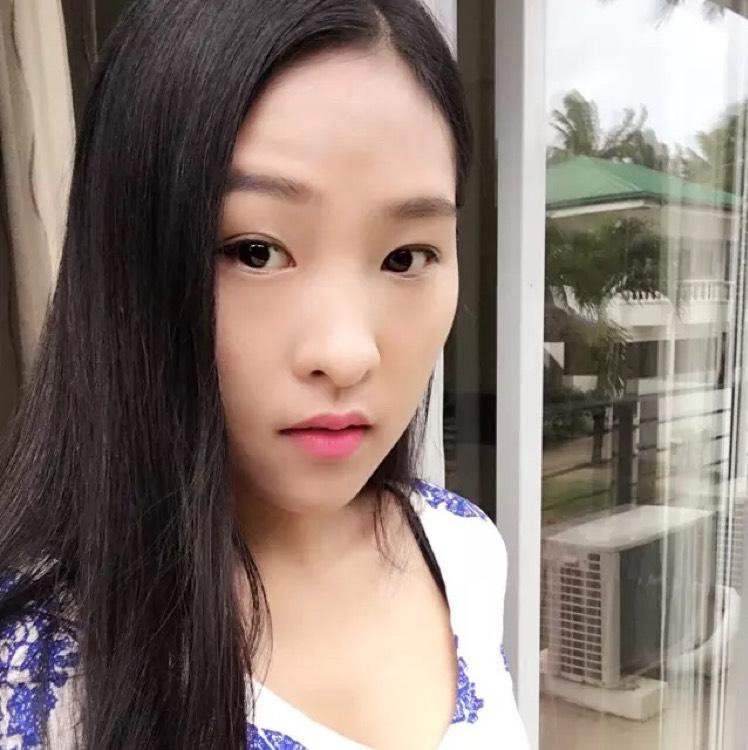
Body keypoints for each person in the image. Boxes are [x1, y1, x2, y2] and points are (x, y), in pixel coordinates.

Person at [0, 1, 530, 748]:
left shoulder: (461, 548)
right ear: (127, 262)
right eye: (256, 251)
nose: (348, 353)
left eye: (405, 256)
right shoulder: (39, 672)